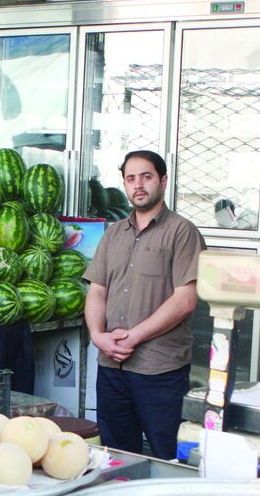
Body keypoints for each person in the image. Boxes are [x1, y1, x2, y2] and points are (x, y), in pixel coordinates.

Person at [82, 150, 206, 459]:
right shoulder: (113, 235)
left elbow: (185, 299)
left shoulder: (182, 232)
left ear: (163, 181)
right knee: (116, 455)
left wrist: (133, 337)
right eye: (130, 178)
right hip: (111, 365)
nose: (138, 185)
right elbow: (97, 290)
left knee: (166, 454)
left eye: (146, 177)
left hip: (159, 370)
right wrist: (98, 336)